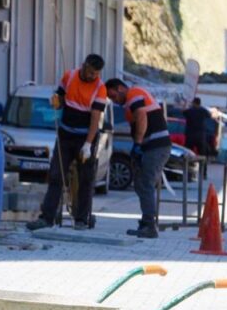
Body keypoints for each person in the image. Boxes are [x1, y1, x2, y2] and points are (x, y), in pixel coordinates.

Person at [27, 54, 107, 231]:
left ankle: (81, 219)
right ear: (83, 66)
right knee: (56, 175)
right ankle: (47, 218)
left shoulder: (100, 88)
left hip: (85, 138)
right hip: (65, 136)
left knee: (86, 178)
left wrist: (88, 144)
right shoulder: (69, 76)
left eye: (96, 73)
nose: (93, 76)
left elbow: (95, 119)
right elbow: (60, 98)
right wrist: (56, 101)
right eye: (91, 72)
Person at [104, 79, 172, 238]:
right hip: (151, 147)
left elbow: (142, 116)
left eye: (113, 95)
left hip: (156, 146)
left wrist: (138, 143)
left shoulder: (134, 94)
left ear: (120, 88)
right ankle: (146, 221)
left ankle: (149, 225)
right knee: (141, 184)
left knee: (146, 184)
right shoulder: (130, 104)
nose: (114, 100)